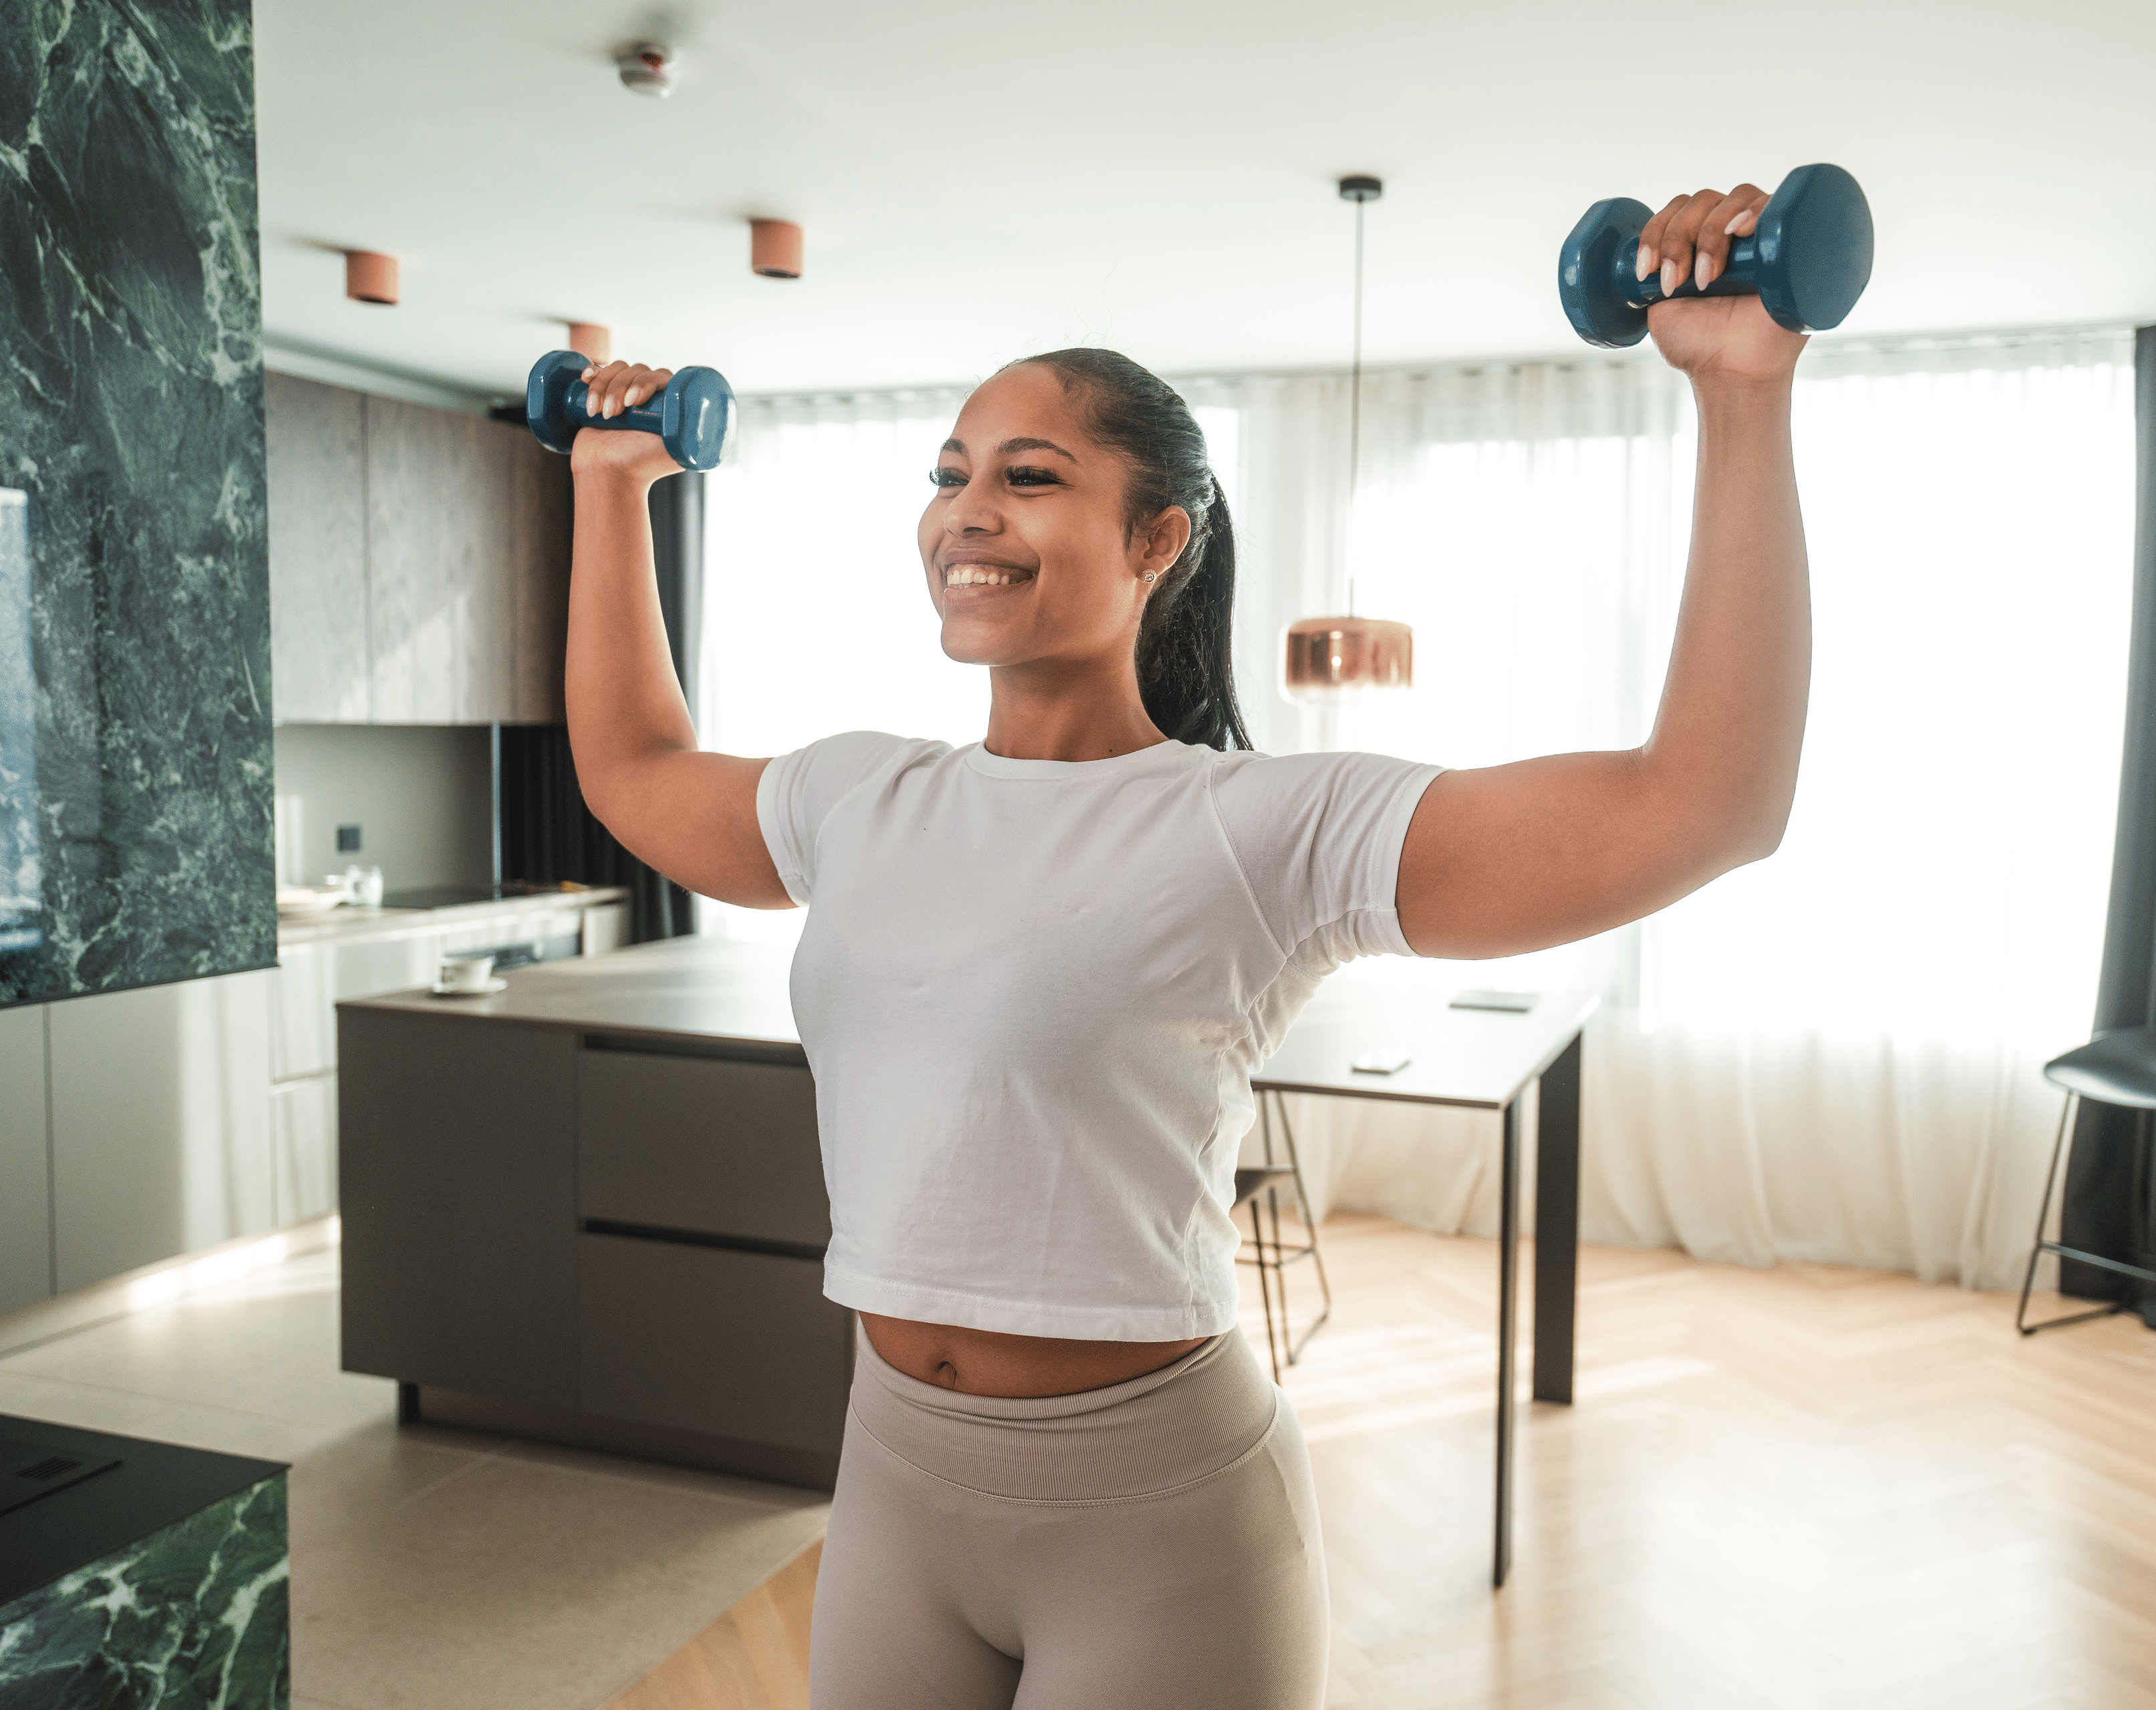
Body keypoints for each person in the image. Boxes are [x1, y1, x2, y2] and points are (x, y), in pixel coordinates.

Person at [561, 180, 1809, 1710]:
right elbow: (630, 765)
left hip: (1155, 1520)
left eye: (1029, 475)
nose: (967, 510)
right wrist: (611, 485)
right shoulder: (853, 794)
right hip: (893, 1470)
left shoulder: (1258, 824)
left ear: (1158, 536)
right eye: (951, 473)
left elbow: (1702, 805)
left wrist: (1741, 392)